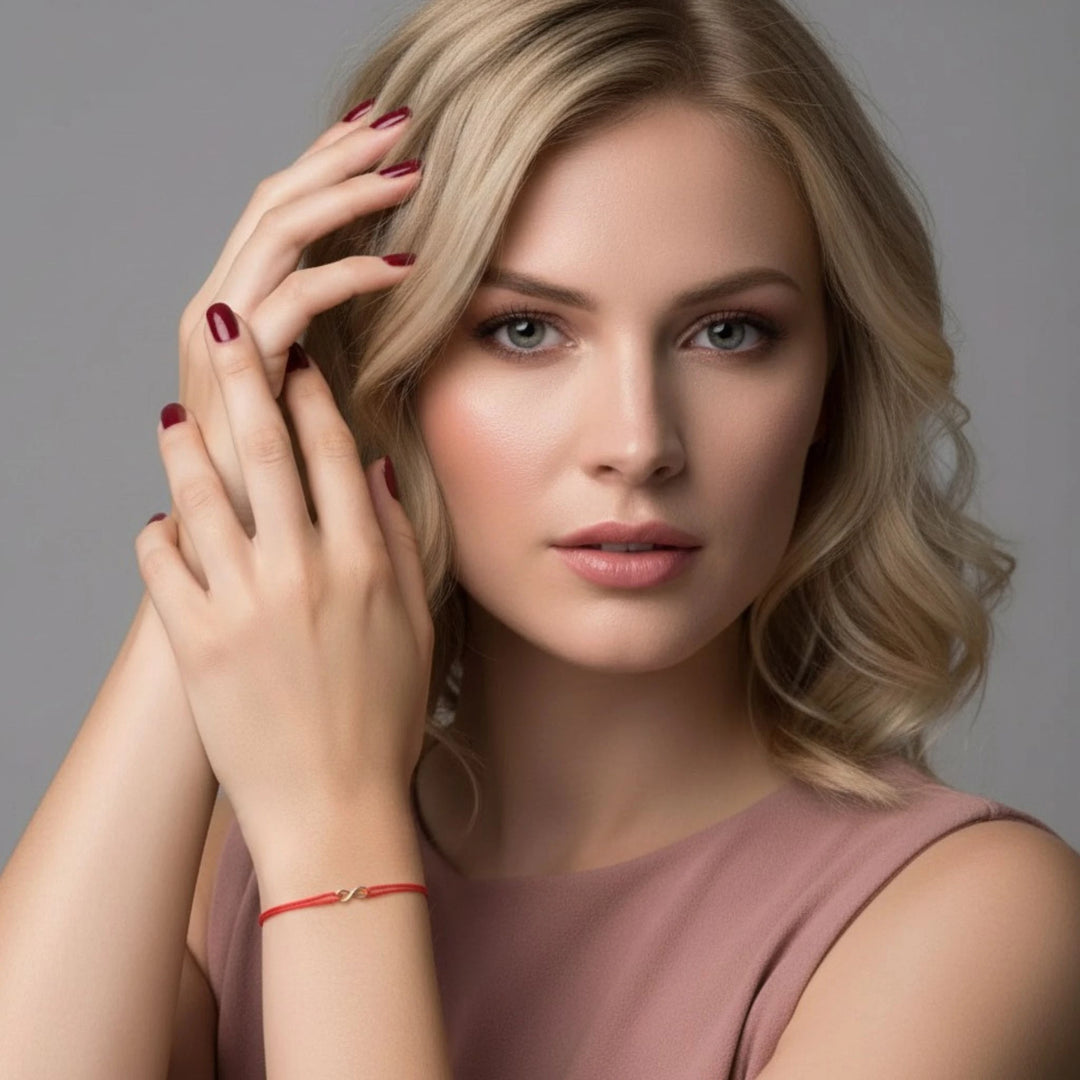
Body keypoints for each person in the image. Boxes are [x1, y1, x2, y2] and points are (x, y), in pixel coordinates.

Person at [1, 0, 1077, 1077]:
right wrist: (230, 486)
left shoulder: (975, 921)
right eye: (524, 330)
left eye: (729, 332)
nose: (637, 442)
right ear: (385, 373)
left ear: (833, 386)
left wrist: (335, 846)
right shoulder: (232, 863)